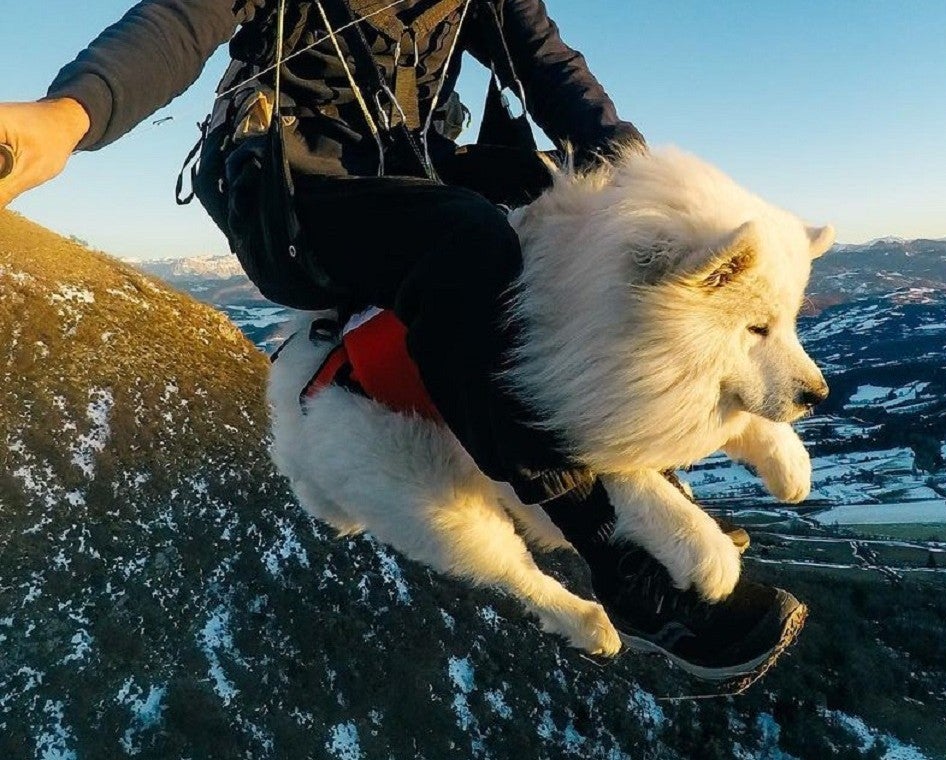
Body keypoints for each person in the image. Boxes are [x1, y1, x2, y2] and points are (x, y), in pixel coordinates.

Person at [0, 0, 804, 680]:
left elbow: (549, 66)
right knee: (474, 244)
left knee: (565, 209)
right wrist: (68, 115)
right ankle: (618, 556)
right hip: (293, 193)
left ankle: (642, 465)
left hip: (417, 173)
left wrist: (640, 190)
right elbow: (181, 18)